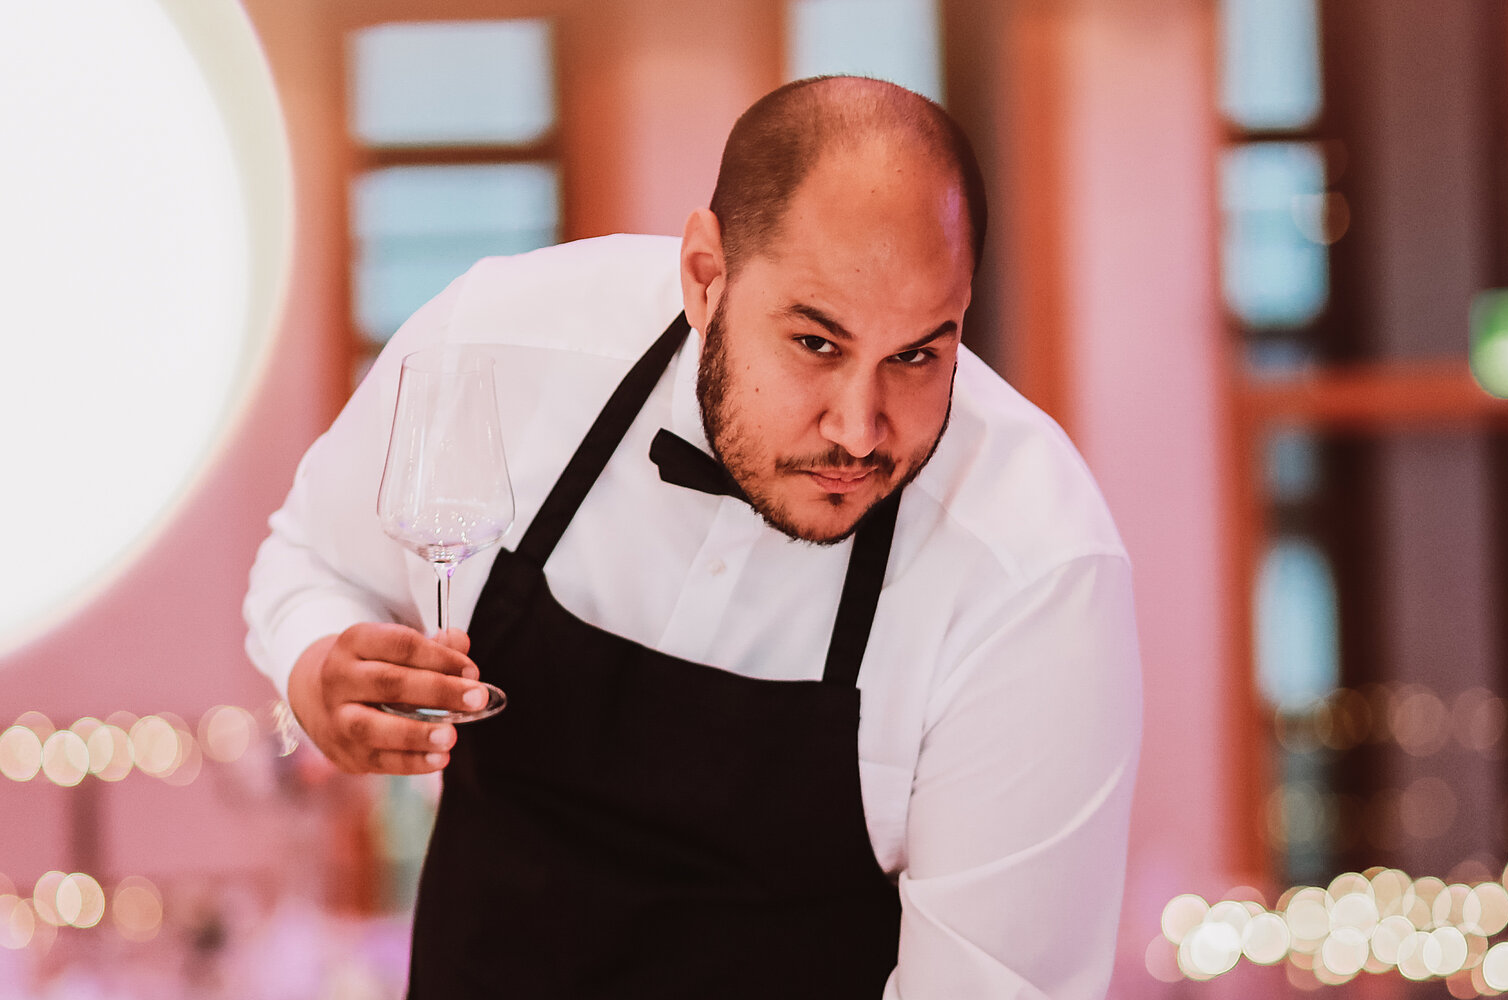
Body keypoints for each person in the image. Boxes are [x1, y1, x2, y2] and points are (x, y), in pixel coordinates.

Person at [243, 76, 1140, 998]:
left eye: (917, 355)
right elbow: (309, 560)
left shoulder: (1034, 567)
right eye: (816, 344)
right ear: (706, 278)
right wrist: (318, 673)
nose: (860, 429)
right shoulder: (499, 353)